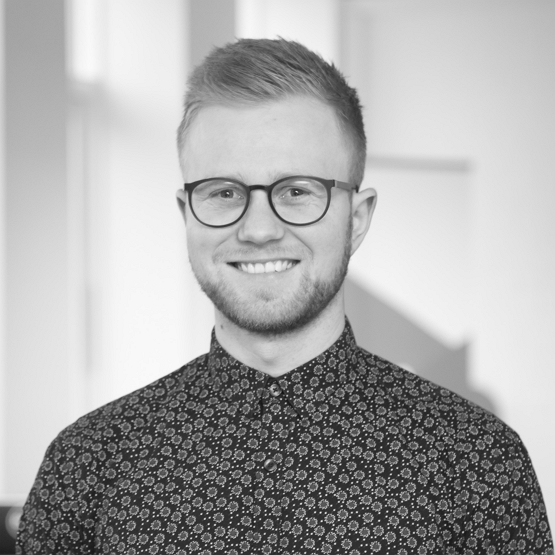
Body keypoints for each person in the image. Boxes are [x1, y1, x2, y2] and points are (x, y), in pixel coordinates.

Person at [17, 38, 552, 555]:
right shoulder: (87, 465)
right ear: (186, 214)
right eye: (224, 192)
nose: (258, 230)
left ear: (357, 219)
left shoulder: (477, 462)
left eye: (296, 192)